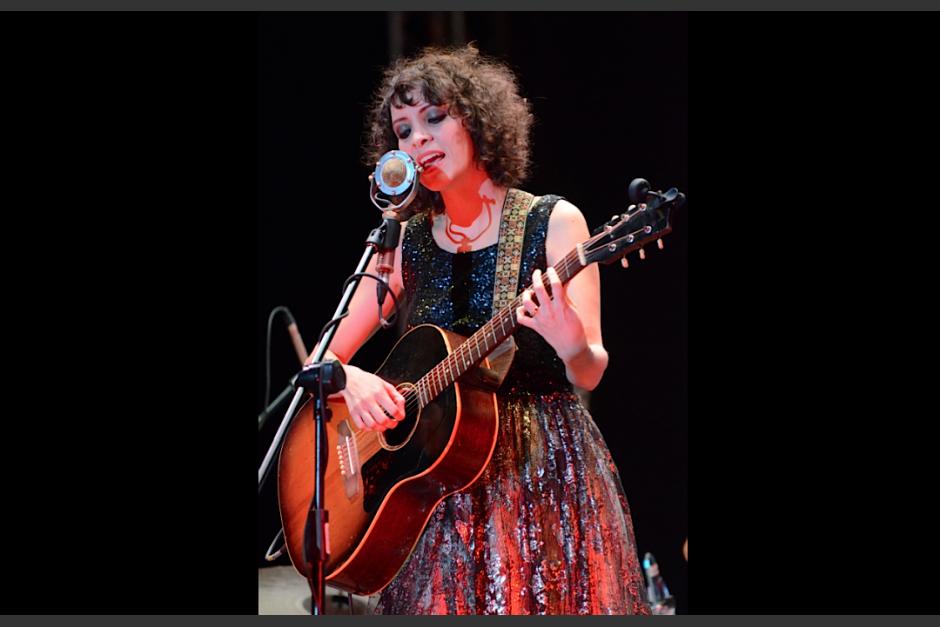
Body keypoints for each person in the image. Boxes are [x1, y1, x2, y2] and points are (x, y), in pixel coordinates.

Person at [310, 45, 649, 615]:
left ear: (480, 122)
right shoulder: (404, 243)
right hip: (430, 489)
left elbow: (590, 367)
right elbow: (320, 358)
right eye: (403, 129)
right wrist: (348, 378)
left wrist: (568, 340)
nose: (417, 139)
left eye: (435, 117)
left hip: (541, 467)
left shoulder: (553, 221)